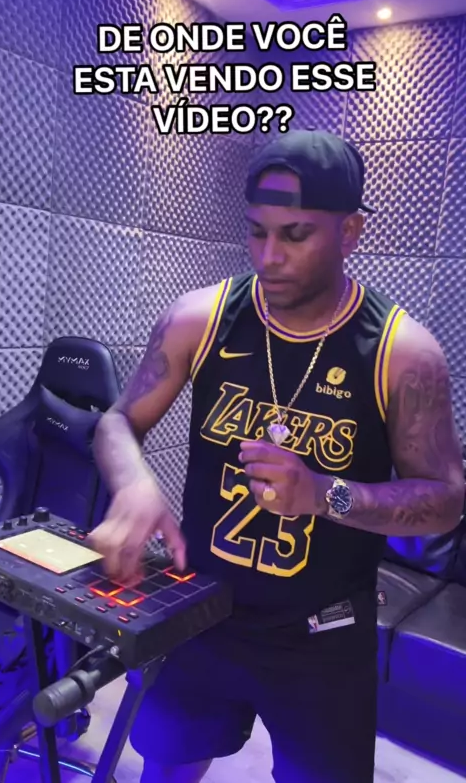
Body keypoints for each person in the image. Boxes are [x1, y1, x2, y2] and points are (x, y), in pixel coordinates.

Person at [89, 129, 464, 783]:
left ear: (350, 232)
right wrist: (134, 484)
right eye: (257, 231)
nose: (269, 255)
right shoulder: (201, 318)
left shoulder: (402, 354)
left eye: (295, 235)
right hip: (201, 611)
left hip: (323, 636)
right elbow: (118, 421)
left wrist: (324, 494)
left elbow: (445, 502)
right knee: (166, 766)